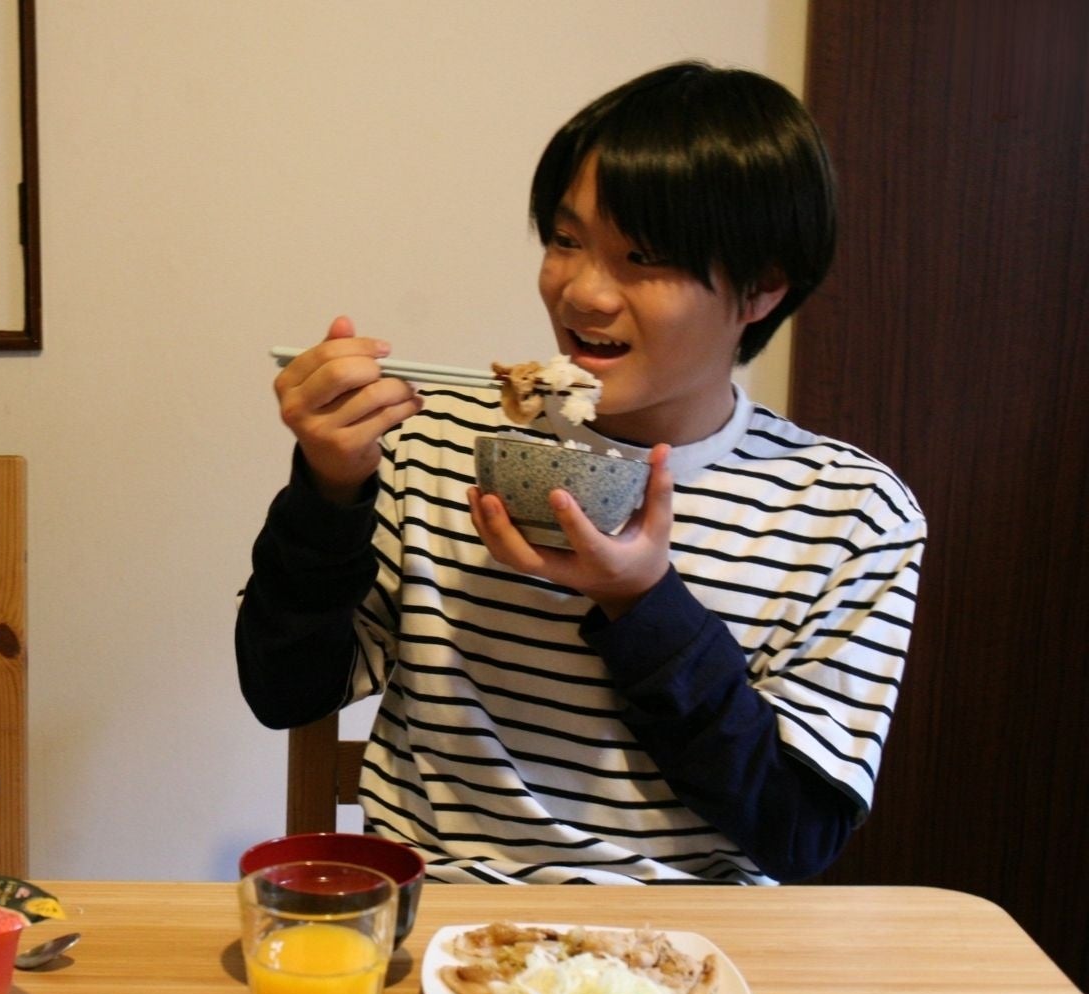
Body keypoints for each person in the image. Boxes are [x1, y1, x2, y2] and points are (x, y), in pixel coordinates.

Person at [237, 62, 923, 885]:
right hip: (441, 920)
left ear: (761, 289)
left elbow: (797, 833)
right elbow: (286, 690)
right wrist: (328, 493)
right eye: (567, 242)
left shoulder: (849, 514)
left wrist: (643, 605)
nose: (585, 293)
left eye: (643, 256)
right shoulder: (435, 442)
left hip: (687, 948)